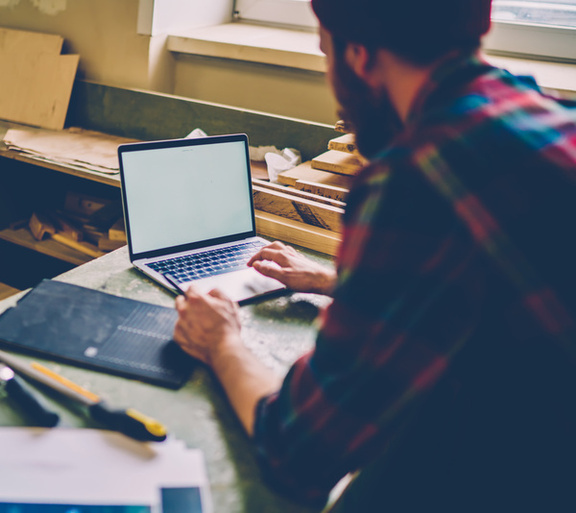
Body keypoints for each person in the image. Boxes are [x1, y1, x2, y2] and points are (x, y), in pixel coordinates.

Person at [173, 0, 576, 511]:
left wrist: (221, 342)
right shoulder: (547, 113)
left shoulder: (415, 176)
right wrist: (337, 282)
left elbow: (298, 451)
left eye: (326, 53)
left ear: (359, 56)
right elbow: (503, 275)